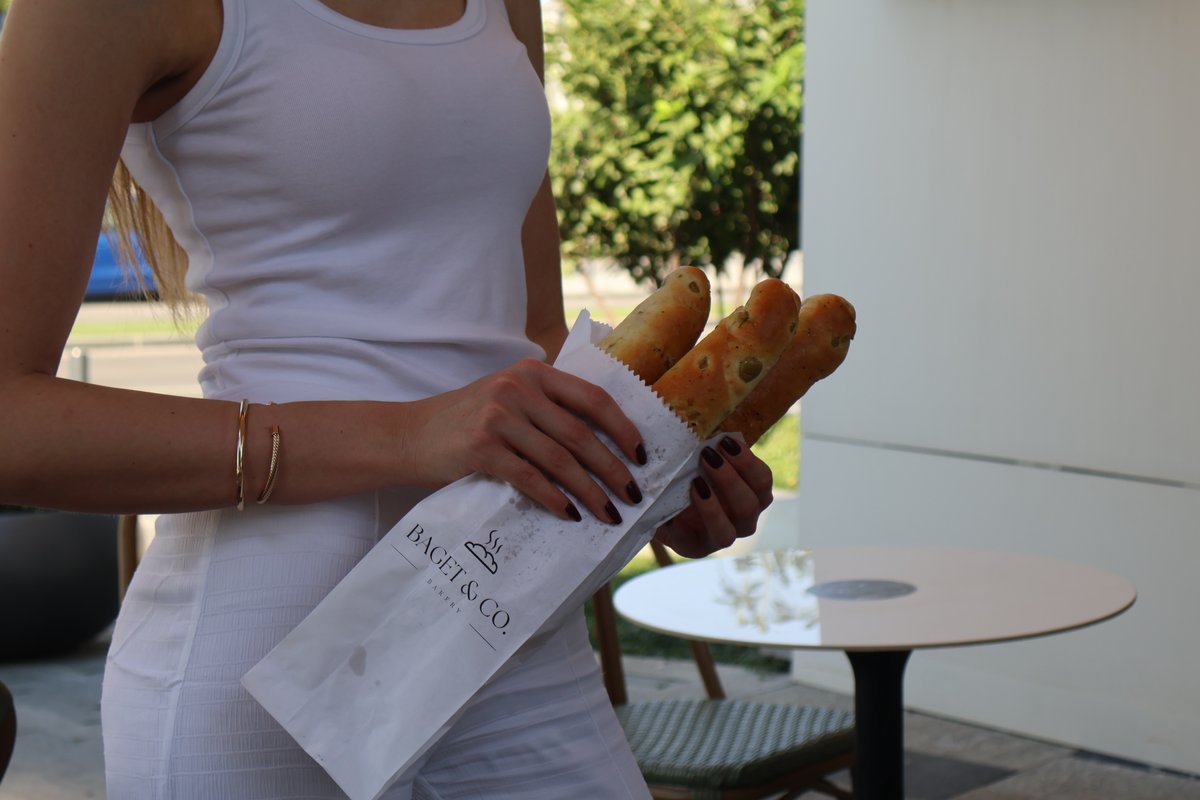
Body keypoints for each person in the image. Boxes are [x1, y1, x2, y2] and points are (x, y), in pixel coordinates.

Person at [0, 0, 775, 797]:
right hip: (264, 644)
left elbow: (529, 332)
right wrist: (408, 435)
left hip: (504, 612)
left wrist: (642, 468)